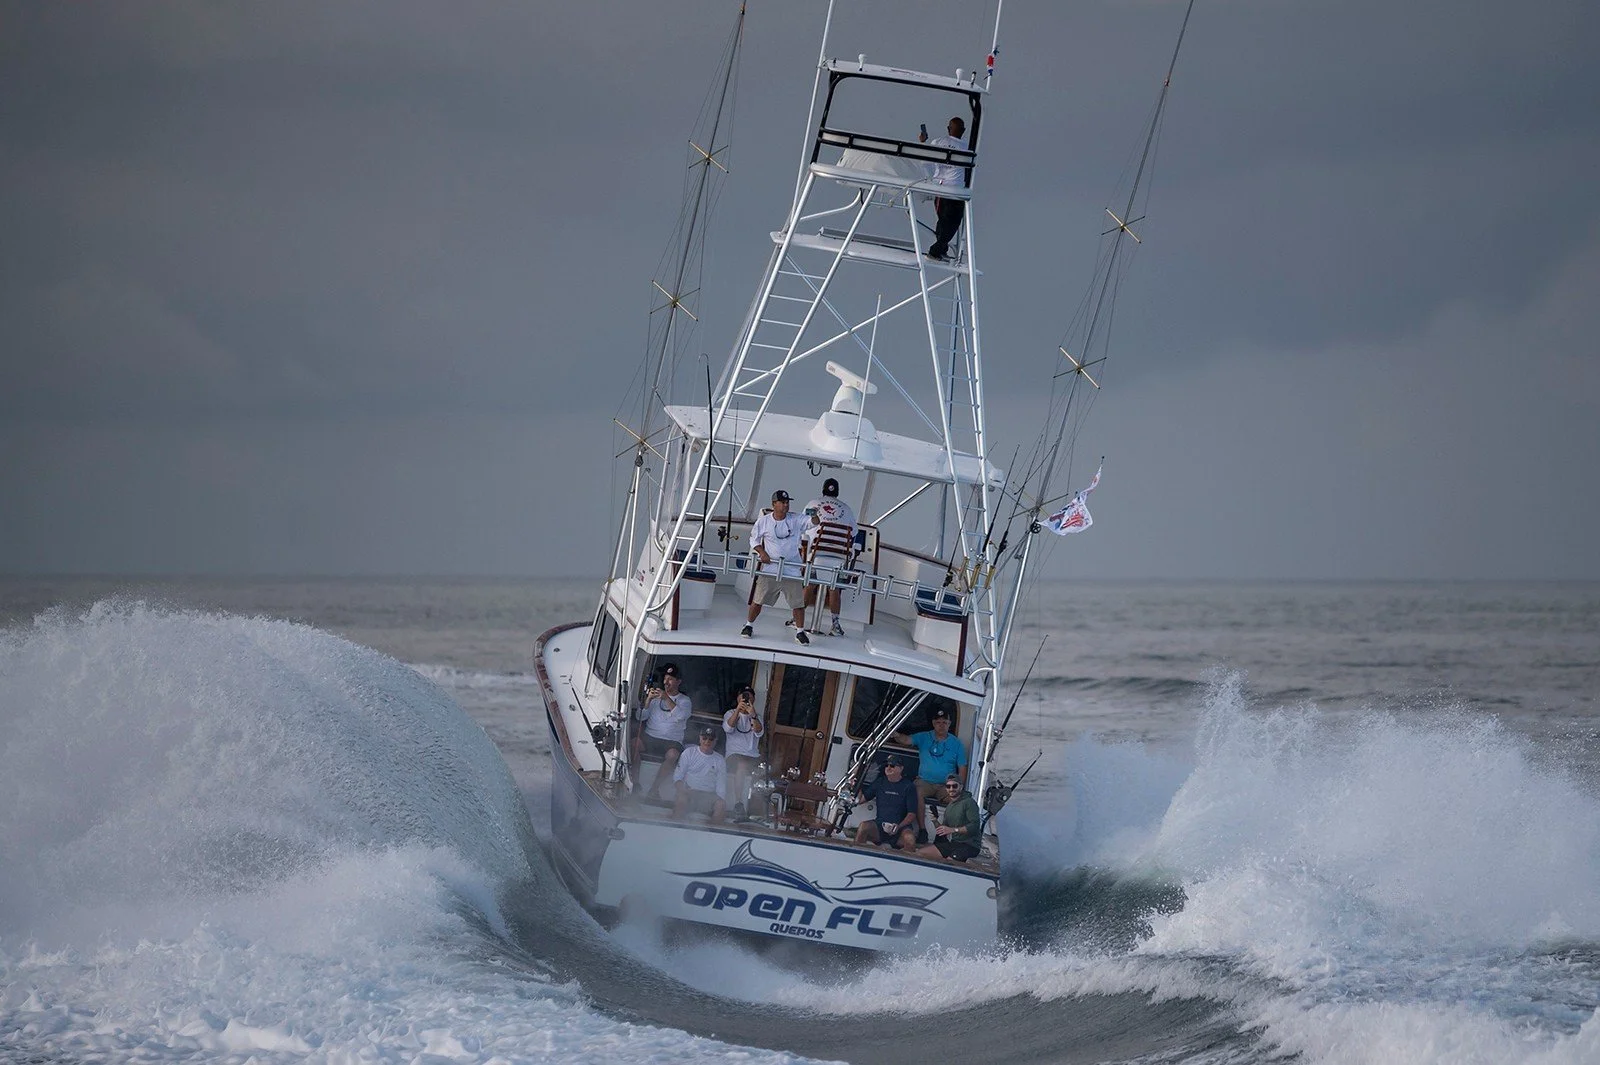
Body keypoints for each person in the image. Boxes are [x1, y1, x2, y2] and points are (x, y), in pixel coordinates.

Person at [742, 489, 810, 645]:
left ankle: (800, 632)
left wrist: (815, 516)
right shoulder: (764, 521)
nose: (786, 505)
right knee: (758, 600)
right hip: (771, 567)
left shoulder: (796, 519)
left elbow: (812, 523)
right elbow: (754, 539)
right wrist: (761, 552)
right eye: (782, 502)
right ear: (774, 504)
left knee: (798, 604)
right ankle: (748, 625)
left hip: (791, 568)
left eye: (787, 502)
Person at [801, 477, 857, 637]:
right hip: (839, 557)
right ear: (837, 492)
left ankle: (797, 618)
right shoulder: (846, 509)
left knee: (810, 583)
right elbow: (854, 532)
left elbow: (803, 527)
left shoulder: (812, 504)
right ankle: (835, 624)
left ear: (823, 490)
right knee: (834, 587)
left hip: (816, 554)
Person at [633, 662, 692, 800]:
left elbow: (682, 716)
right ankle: (635, 783)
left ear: (678, 682)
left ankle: (654, 789)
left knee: (673, 755)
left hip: (672, 741)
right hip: (651, 737)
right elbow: (640, 717)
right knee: (634, 744)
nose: (666, 682)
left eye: (670, 679)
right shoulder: (656, 697)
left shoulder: (685, 700)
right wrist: (648, 700)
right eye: (665, 679)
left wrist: (666, 698)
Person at [893, 707, 968, 812]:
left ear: (949, 723)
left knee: (957, 803)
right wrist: (895, 734)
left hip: (946, 785)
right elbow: (906, 740)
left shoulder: (957, 743)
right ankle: (922, 828)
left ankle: (945, 828)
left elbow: (962, 768)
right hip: (924, 782)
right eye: (938, 722)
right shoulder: (924, 737)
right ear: (933, 723)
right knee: (915, 794)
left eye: (944, 722)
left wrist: (959, 788)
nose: (941, 725)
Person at [918, 116, 969, 260]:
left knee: (943, 221)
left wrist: (922, 142)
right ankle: (935, 250)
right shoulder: (966, 146)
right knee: (953, 221)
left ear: (948, 129)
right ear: (963, 130)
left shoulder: (938, 142)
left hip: (939, 188)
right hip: (954, 189)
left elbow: (925, 161)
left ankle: (941, 249)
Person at [852, 755, 919, 849]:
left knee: (910, 838)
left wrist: (898, 827)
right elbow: (860, 800)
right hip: (880, 826)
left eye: (892, 766)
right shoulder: (880, 782)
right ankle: (856, 855)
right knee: (863, 827)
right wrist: (857, 785)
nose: (888, 768)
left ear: (901, 768)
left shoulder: (909, 786)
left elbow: (911, 814)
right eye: (887, 765)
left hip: (900, 828)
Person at [916, 775, 982, 862]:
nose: (951, 789)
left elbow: (975, 826)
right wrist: (934, 820)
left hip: (970, 845)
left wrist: (953, 830)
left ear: (961, 787)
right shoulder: (950, 806)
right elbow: (943, 830)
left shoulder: (969, 802)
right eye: (948, 786)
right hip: (954, 843)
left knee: (949, 863)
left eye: (954, 786)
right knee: (920, 853)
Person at [722, 684, 764, 820]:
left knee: (765, 770)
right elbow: (728, 728)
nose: (746, 699)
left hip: (752, 756)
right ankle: (738, 802)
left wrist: (752, 715)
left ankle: (758, 812)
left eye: (749, 697)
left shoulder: (757, 716)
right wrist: (737, 711)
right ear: (738, 698)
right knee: (742, 765)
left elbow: (759, 732)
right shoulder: (730, 713)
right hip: (734, 755)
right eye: (743, 696)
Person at [672, 725, 729, 823]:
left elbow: (721, 786)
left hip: (709, 796)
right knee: (681, 799)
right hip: (689, 793)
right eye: (704, 738)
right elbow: (677, 777)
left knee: (721, 805)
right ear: (700, 738)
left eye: (711, 739)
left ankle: (713, 835)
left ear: (715, 741)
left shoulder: (720, 760)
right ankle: (674, 829)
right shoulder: (688, 753)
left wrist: (721, 800)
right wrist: (682, 790)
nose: (707, 742)